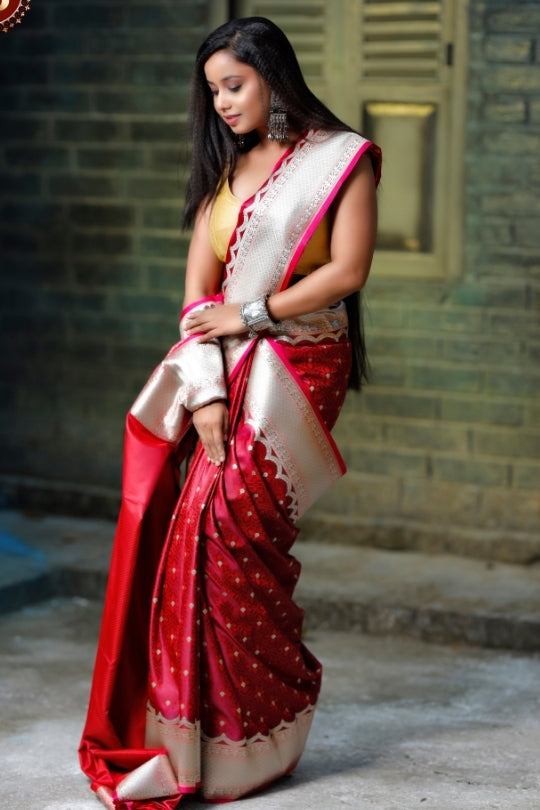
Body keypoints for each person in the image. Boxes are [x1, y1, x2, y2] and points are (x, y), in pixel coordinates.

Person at [79, 15, 381, 810]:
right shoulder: (226, 177)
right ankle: (210, 748)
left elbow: (347, 270)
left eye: (233, 85)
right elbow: (195, 304)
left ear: (274, 77)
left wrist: (251, 318)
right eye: (211, 90)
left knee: (236, 531)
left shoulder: (338, 161)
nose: (220, 102)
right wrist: (207, 396)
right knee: (196, 539)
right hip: (223, 376)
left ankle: (263, 730)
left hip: (300, 364)